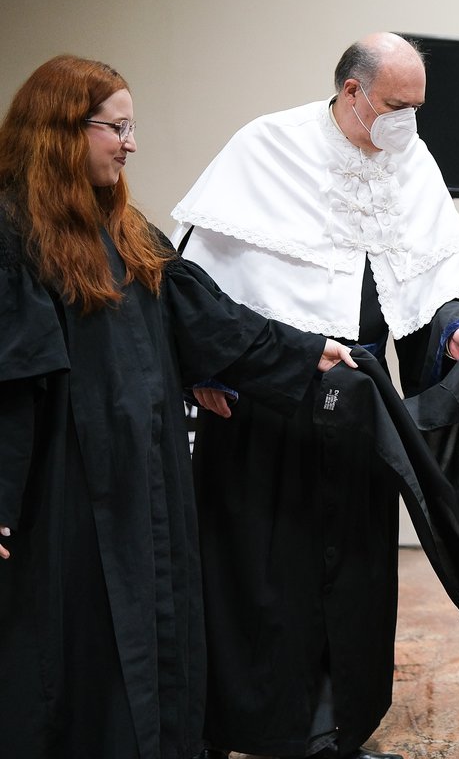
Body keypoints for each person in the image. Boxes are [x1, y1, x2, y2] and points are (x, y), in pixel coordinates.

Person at [0, 56, 354, 759]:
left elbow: (203, 315)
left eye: (131, 128)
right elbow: (11, 385)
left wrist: (303, 351)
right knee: (79, 650)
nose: (130, 144)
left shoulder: (125, 228)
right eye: (117, 128)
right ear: (62, 130)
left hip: (148, 480)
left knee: (158, 632)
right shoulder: (16, 237)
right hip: (67, 490)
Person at [172, 33, 459, 759]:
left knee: (351, 577)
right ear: (352, 91)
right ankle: (252, 728)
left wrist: (455, 332)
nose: (407, 123)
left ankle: (337, 730)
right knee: (265, 579)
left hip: (357, 416)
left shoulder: (413, 162)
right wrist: (209, 368)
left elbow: (431, 287)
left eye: (417, 107)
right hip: (265, 413)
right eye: (394, 105)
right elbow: (198, 284)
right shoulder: (266, 147)